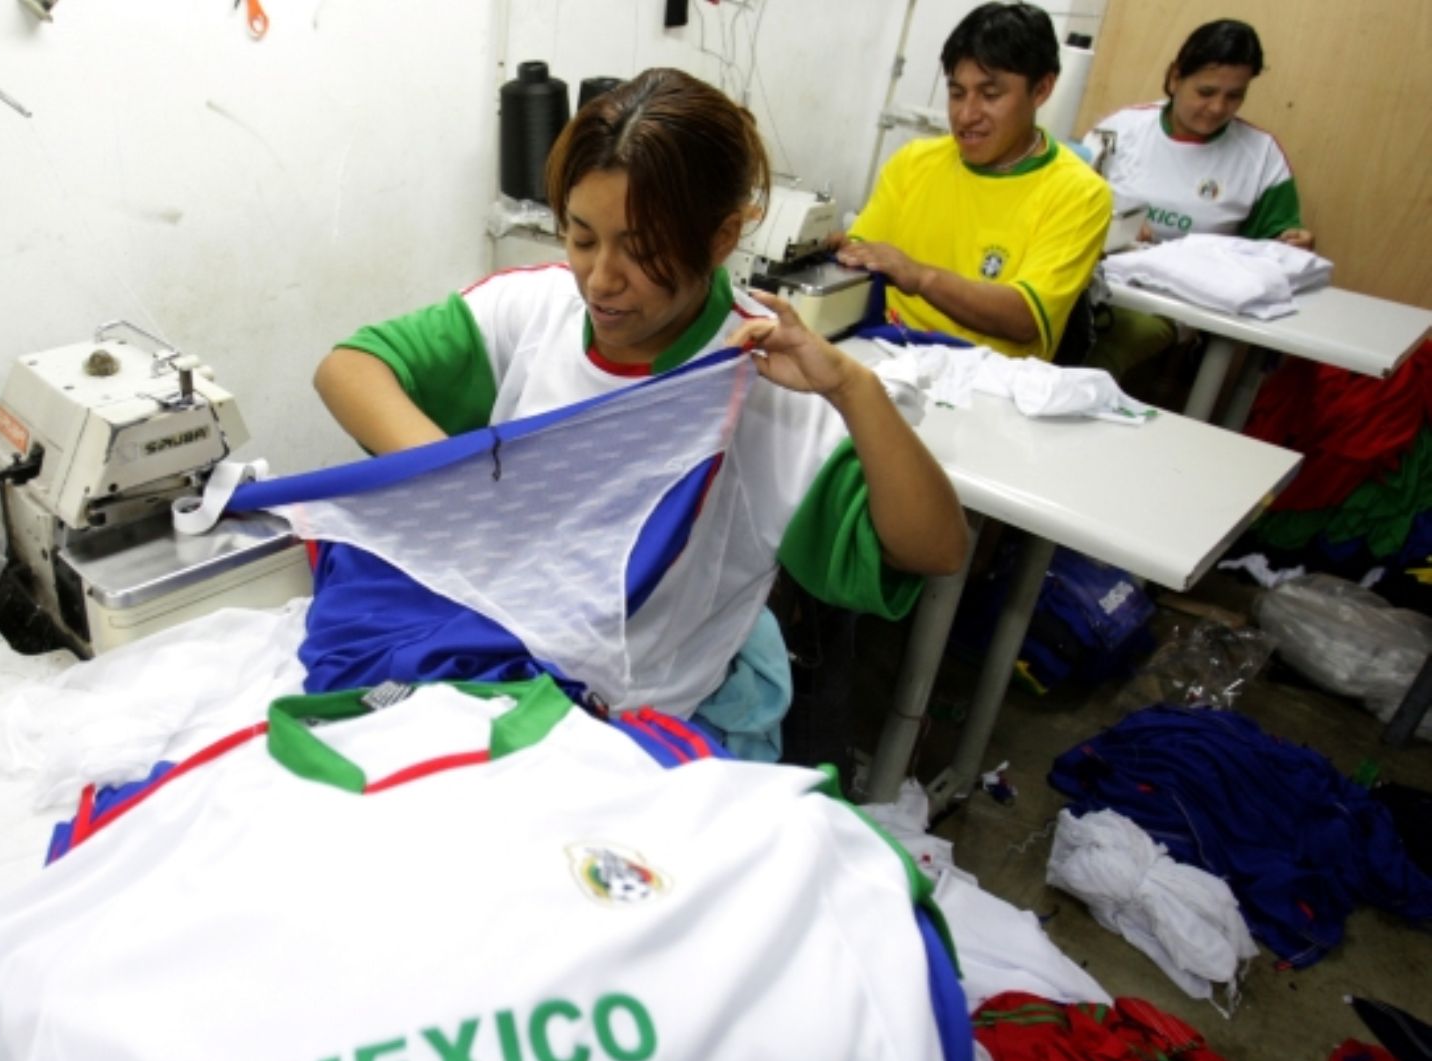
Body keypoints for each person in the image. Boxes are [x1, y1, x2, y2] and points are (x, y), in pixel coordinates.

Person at [313, 67, 966, 751]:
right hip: (505, 654)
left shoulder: (764, 385)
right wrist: (476, 483)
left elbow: (938, 547)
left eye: (642, 250)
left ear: (720, 240)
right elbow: (349, 369)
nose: (600, 279)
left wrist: (855, 391)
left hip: (634, 712)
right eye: (582, 236)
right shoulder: (537, 310)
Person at [831, 2, 1111, 361]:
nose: (966, 115)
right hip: (886, 356)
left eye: (990, 95)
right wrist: (835, 256)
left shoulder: (1080, 195)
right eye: (957, 93)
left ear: (1041, 90)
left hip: (985, 386)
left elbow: (1024, 317)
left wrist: (920, 277)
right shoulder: (914, 163)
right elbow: (864, 260)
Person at [1083, 20, 1312, 381]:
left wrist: (1292, 243)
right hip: (1097, 282)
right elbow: (1067, 205)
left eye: (1234, 95)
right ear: (1175, 78)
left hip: (1177, 307)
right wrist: (1114, 229)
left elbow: (1279, 248)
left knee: (1098, 360)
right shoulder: (1121, 129)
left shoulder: (1260, 155)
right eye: (1205, 92)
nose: (1218, 107)